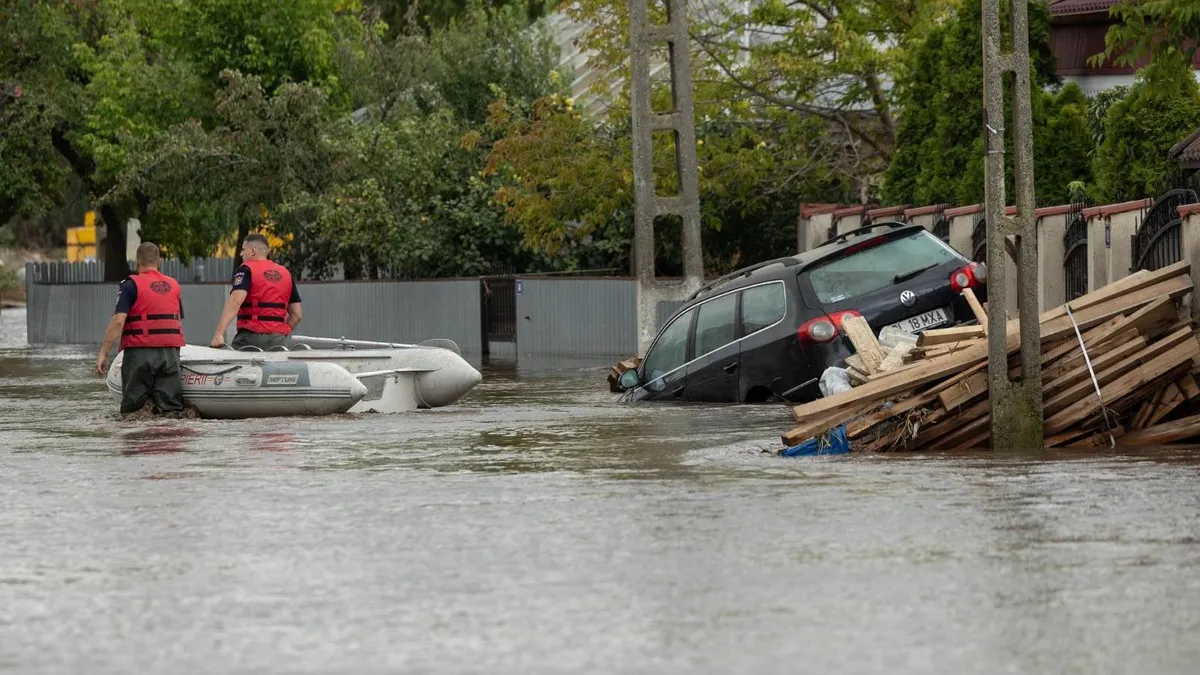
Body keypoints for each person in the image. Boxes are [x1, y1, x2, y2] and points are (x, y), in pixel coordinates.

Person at [95, 242, 186, 416]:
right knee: (171, 409)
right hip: (170, 353)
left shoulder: (130, 285)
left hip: (140, 353)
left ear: (137, 261)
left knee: (134, 411)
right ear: (159, 261)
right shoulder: (174, 285)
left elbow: (118, 321)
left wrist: (103, 353)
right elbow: (176, 319)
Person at [211, 233, 302, 350]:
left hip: (251, 338)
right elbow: (297, 315)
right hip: (279, 341)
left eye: (243, 250)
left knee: (232, 365)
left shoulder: (247, 270)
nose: (241, 254)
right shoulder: (285, 273)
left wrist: (219, 334)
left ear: (253, 251)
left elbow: (235, 302)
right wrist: (281, 334)